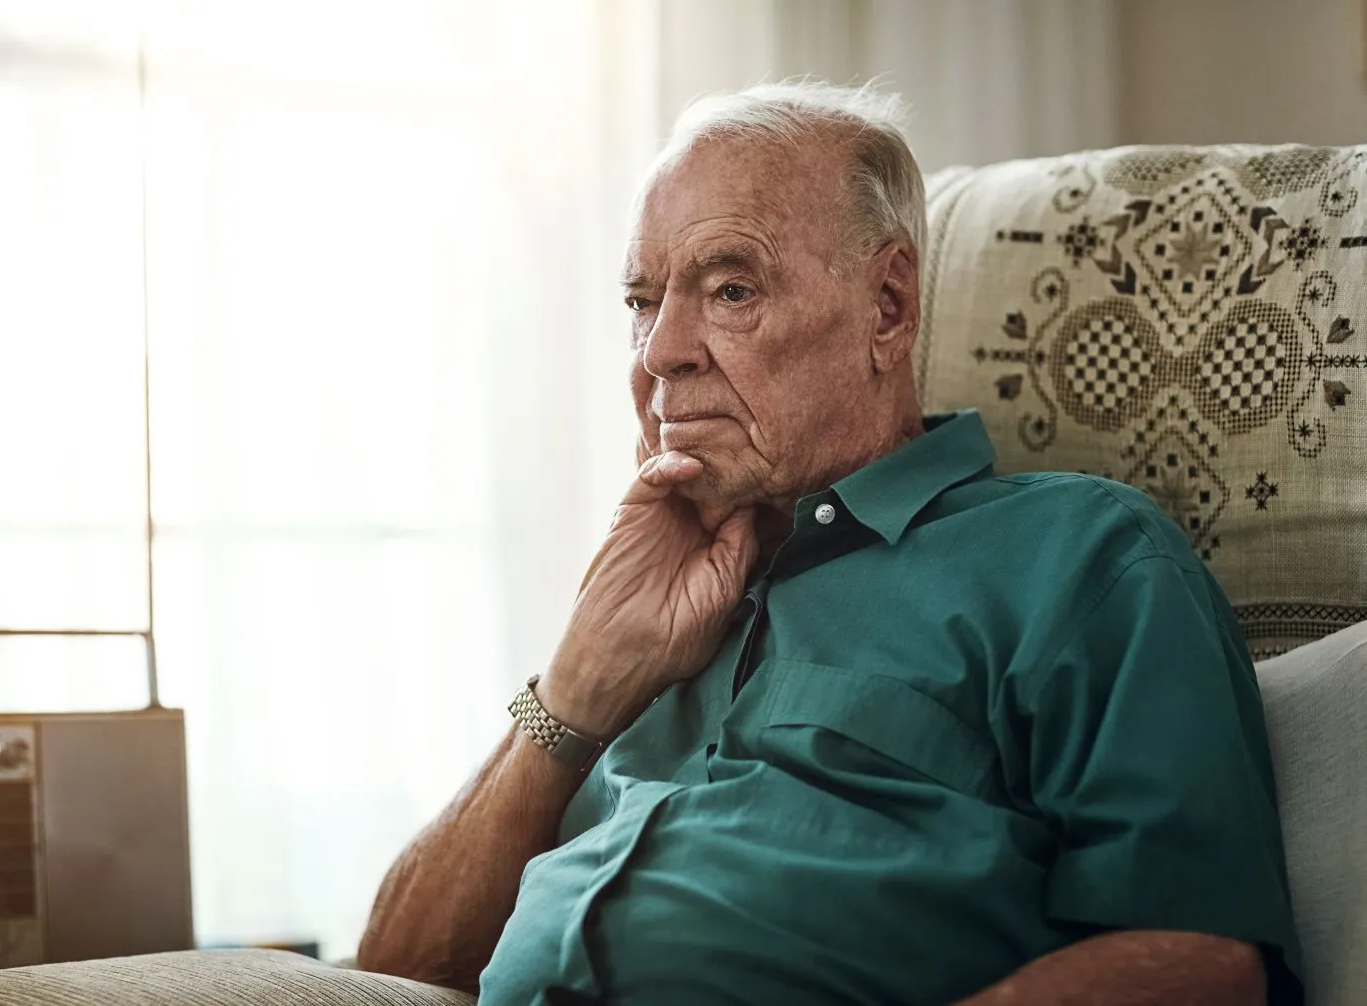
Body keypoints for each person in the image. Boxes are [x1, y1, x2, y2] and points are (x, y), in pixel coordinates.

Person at [356, 82, 1303, 1006]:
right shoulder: (643, 600)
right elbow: (390, 973)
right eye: (643, 301)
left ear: (887, 307)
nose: (659, 353)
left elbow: (1196, 960)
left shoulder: (1086, 557)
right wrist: (575, 690)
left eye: (729, 289)